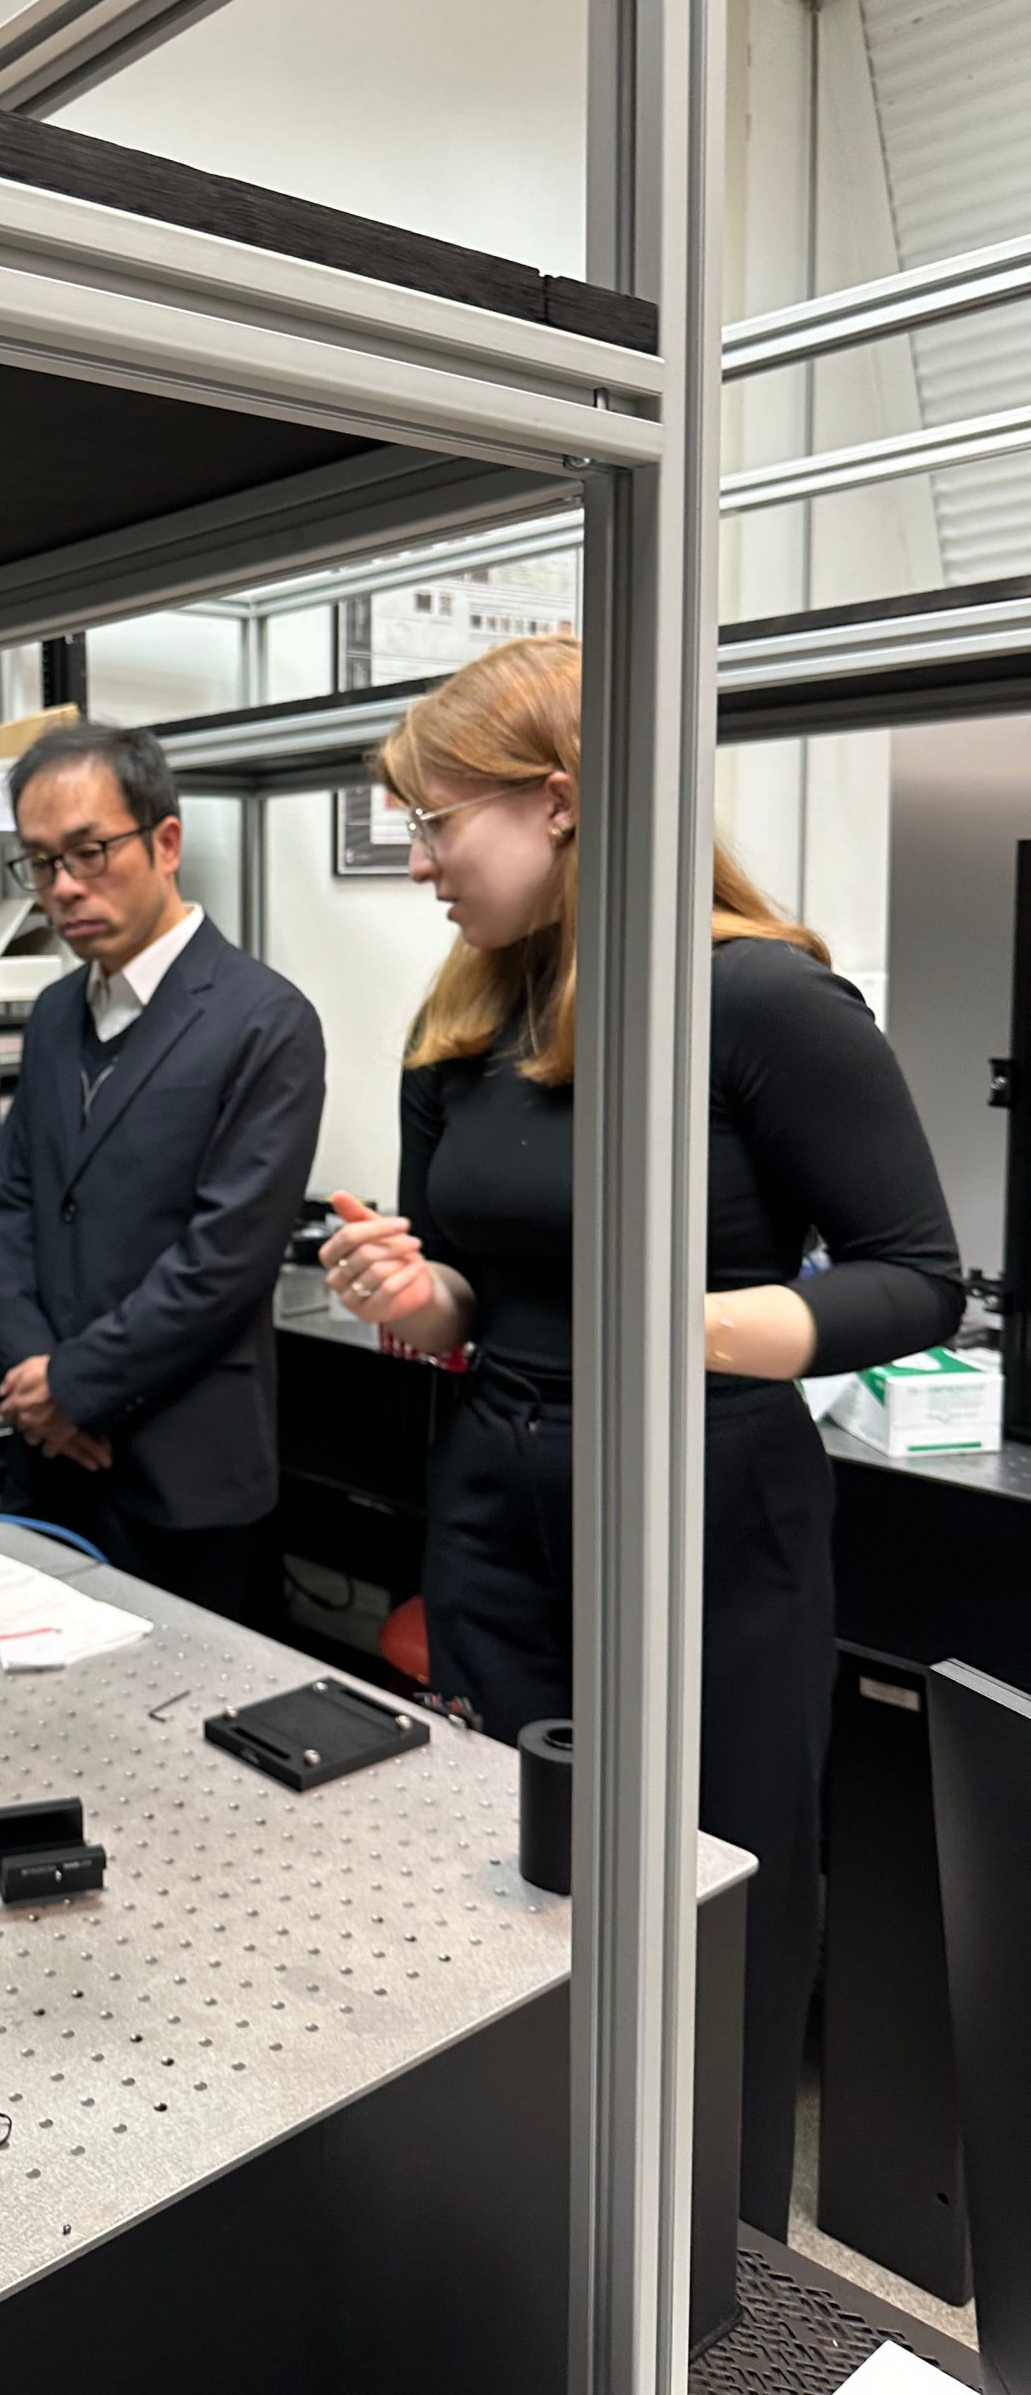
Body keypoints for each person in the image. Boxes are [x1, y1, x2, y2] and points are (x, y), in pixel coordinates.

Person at [320, 636, 962, 2239]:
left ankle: (716, 2275)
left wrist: (686, 1324)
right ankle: (522, 2234)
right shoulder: (462, 1016)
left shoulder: (759, 998)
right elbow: (476, 1294)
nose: (419, 864)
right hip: (496, 1499)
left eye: (435, 823)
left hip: (703, 1507)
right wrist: (414, 1291)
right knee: (505, 1871)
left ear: (560, 799)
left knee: (715, 1893)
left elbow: (916, 1277)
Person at [0, 720, 324, 1618]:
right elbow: (12, 1206)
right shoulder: (53, 1015)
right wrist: (34, 1377)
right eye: (41, 863)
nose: (64, 886)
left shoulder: (264, 1021)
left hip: (183, 1473)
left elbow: (224, 1261)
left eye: (89, 852)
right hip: (48, 1459)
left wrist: (72, 1387)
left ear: (165, 842)